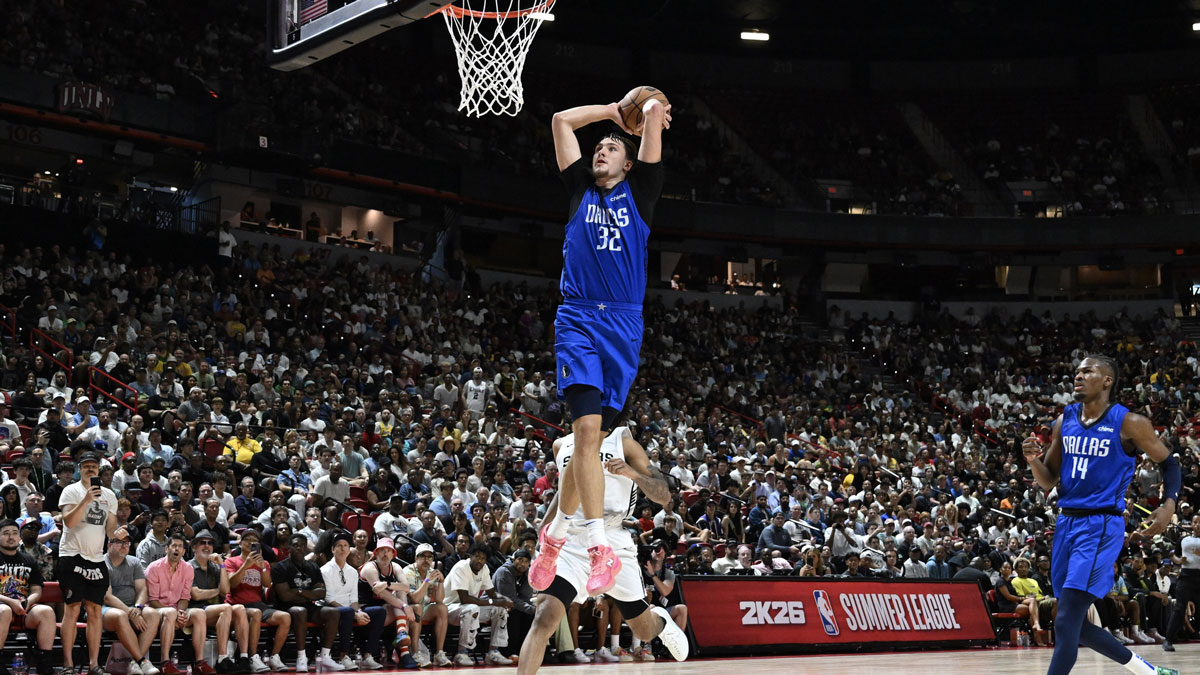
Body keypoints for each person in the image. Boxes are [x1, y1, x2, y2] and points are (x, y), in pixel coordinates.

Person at [535, 90, 670, 598]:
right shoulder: (578, 191)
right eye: (598, 149)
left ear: (629, 162)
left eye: (611, 148)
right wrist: (614, 112)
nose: (600, 151)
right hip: (578, 318)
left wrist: (651, 110)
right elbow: (560, 117)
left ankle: (554, 535)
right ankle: (596, 546)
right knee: (586, 431)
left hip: (624, 328)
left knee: (589, 444)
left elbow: (654, 117)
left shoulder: (643, 191)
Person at [1023, 355, 1180, 675]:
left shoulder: (1129, 423)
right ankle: (1150, 672)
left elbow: (1170, 464)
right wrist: (1032, 460)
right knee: (1074, 624)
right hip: (1065, 523)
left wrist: (1168, 505)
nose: (1078, 376)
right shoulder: (1063, 420)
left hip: (1100, 525)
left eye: (1087, 371)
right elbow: (1050, 479)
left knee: (1066, 620)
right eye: (1077, 371)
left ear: (1107, 380)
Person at [517, 426, 689, 675]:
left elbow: (663, 496)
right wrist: (545, 528)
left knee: (643, 630)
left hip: (612, 540)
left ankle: (661, 621)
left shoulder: (624, 443)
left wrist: (633, 473)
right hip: (572, 539)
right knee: (543, 618)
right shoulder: (561, 444)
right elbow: (564, 490)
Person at [58, 450, 126, 675]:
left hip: (96, 559)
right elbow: (68, 522)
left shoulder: (109, 495)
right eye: (86, 466)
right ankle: (67, 664)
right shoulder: (71, 490)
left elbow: (109, 530)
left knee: (95, 610)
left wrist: (118, 532)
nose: (90, 469)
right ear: (79, 469)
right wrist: (86, 499)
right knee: (73, 609)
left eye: (93, 466)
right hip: (72, 556)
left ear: (99, 470)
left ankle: (94, 664)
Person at [270, 532, 346, 673]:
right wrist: (309, 594)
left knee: (333, 612)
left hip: (308, 606)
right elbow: (285, 597)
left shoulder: (313, 566)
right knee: (300, 611)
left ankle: (325, 656)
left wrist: (298, 592)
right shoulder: (280, 568)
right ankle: (301, 657)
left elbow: (321, 593)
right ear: (289, 548)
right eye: (295, 545)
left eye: (302, 545)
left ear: (306, 548)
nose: (298, 548)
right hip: (285, 608)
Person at [145, 532, 216, 675]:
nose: (176, 549)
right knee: (170, 613)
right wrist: (174, 613)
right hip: (156, 611)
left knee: (199, 613)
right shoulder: (153, 568)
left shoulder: (188, 569)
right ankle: (165, 662)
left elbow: (185, 597)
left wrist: (181, 612)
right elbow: (153, 600)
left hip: (176, 610)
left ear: (184, 551)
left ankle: (199, 662)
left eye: (180, 547)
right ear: (167, 549)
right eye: (173, 546)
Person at [224, 529, 292, 672]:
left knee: (285, 617)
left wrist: (262, 569)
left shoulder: (264, 563)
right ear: (241, 544)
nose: (251, 542)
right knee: (256, 614)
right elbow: (232, 584)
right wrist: (246, 565)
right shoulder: (231, 561)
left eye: (255, 540)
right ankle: (253, 657)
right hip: (237, 605)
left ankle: (274, 656)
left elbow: (267, 584)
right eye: (247, 539)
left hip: (258, 604)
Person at [0, 519, 59, 675]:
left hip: (23, 608)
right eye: (5, 533)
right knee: (4, 611)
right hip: (2, 607)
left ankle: (44, 664)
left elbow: (36, 590)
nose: (10, 537)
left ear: (19, 537)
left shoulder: (28, 560)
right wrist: (10, 602)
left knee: (46, 611)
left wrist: (28, 602)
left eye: (14, 533)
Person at [102, 533, 165, 675]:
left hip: (131, 607)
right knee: (120, 616)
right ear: (109, 545)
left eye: (127, 543)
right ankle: (142, 661)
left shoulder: (135, 562)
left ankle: (134, 663)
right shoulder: (101, 563)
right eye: (119, 542)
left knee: (153, 614)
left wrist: (137, 607)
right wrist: (130, 613)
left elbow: (142, 589)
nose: (124, 546)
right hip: (104, 609)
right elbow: (107, 597)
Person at [321, 531, 382, 671]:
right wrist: (355, 614)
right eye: (339, 546)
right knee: (348, 611)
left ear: (349, 550)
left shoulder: (353, 572)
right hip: (331, 609)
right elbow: (329, 598)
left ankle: (368, 656)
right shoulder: (324, 570)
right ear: (332, 549)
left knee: (379, 611)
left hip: (350, 609)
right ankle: (344, 656)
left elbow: (354, 599)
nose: (342, 548)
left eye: (345, 546)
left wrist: (359, 612)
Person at [444, 543, 513, 665]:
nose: (480, 561)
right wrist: (494, 602)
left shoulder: (484, 568)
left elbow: (492, 593)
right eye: (477, 556)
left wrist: (505, 600)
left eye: (483, 558)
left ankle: (493, 652)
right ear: (470, 556)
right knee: (472, 608)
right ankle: (462, 653)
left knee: (500, 610)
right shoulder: (461, 568)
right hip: (449, 609)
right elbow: (464, 599)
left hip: (469, 610)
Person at [187, 529, 245, 673]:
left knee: (240, 609)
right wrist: (217, 591)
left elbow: (225, 590)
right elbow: (196, 595)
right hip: (194, 610)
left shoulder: (215, 566)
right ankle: (222, 657)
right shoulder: (188, 566)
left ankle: (244, 657)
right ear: (194, 547)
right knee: (225, 608)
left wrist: (222, 565)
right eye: (202, 543)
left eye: (210, 543)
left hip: (213, 610)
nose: (207, 546)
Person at [357, 537, 416, 669]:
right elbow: (382, 594)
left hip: (384, 610)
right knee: (396, 603)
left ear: (393, 554)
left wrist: (388, 584)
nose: (385, 553)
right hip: (365, 611)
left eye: (388, 551)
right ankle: (403, 651)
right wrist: (404, 606)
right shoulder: (369, 568)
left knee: (400, 592)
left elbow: (406, 587)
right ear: (376, 553)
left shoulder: (395, 566)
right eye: (382, 550)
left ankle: (402, 635)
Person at [402, 543, 452, 667]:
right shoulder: (408, 571)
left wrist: (441, 582)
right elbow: (414, 599)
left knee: (442, 608)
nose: (426, 560)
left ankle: (439, 654)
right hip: (406, 611)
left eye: (430, 557)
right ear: (416, 558)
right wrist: (427, 581)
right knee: (417, 607)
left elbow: (439, 600)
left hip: (423, 609)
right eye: (423, 556)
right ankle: (415, 652)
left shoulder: (432, 572)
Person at [1162, 514, 1200, 651]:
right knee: (1179, 608)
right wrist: (1178, 560)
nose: (1198, 525)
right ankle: (1168, 640)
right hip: (1186, 577)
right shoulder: (1184, 539)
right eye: (1195, 522)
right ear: (1191, 524)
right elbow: (1173, 555)